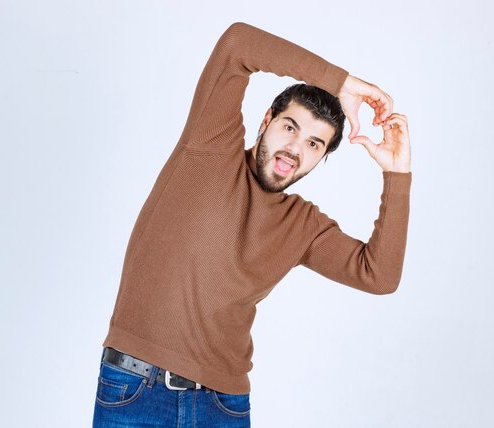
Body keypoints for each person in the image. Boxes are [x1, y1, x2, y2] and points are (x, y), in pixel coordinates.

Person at [92, 21, 412, 427]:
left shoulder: (304, 225)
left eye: (314, 144)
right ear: (267, 120)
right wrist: (342, 83)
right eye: (290, 128)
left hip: (224, 407)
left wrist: (397, 175)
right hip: (136, 389)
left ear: (323, 157)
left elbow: (379, 276)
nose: (294, 149)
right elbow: (238, 42)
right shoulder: (209, 147)